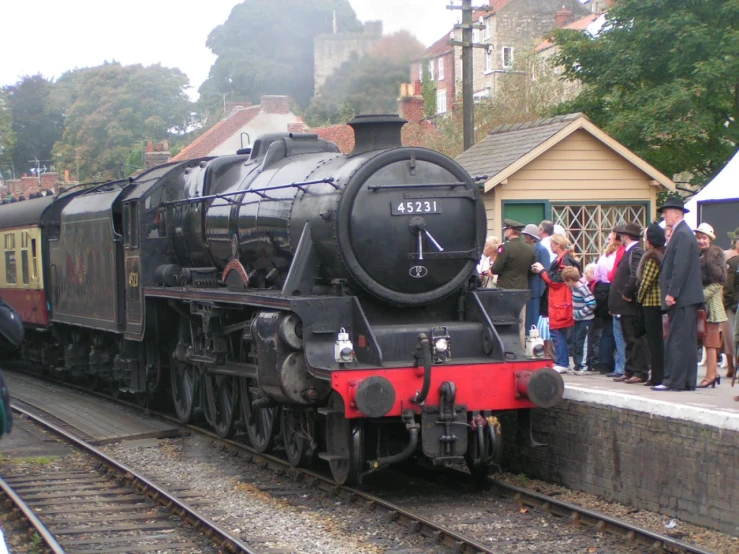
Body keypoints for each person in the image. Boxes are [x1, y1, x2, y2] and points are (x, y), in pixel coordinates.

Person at [653, 196, 704, 392]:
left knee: (678, 339)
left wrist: (672, 292)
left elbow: (680, 266)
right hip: (687, 297)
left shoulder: (681, 234)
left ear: (676, 213)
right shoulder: (682, 233)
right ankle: (686, 380)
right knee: (686, 340)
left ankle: (674, 381)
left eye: (666, 212)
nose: (664, 216)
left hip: (682, 298)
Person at [531, 233, 579, 373]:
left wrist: (542, 271)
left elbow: (557, 280)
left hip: (561, 300)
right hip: (559, 300)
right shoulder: (563, 259)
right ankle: (562, 361)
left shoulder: (564, 260)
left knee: (557, 331)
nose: (551, 246)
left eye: (552, 244)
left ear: (558, 245)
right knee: (558, 331)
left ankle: (562, 362)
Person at [609, 222, 649, 384]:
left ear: (626, 236)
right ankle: (630, 369)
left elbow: (635, 274)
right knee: (628, 338)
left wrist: (626, 292)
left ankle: (640, 371)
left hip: (629, 303)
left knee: (635, 338)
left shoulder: (636, 251)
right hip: (623, 304)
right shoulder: (629, 251)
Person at [695, 223, 727, 388]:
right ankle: (712, 375)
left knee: (711, 341)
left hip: (712, 304)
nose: (701, 240)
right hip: (704, 302)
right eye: (699, 237)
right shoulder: (701, 254)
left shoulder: (714, 254)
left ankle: (711, 376)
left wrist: (700, 296)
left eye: (704, 237)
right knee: (708, 341)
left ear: (710, 239)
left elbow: (719, 282)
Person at [637, 223, 666, 386]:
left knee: (654, 342)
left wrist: (638, 298)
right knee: (657, 341)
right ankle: (658, 374)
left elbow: (646, 282)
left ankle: (657, 376)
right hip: (659, 304)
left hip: (651, 303)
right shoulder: (663, 254)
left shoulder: (652, 257)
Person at [593, 232, 621, 375]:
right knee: (614, 331)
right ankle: (614, 364)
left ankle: (604, 364)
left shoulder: (603, 257)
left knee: (606, 330)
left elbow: (596, 276)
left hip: (601, 291)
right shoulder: (617, 257)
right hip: (611, 290)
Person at [563, 266, 596, 373]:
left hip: (585, 320)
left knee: (583, 342)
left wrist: (579, 313)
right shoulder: (574, 288)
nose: (565, 284)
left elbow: (592, 303)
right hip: (578, 320)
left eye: (565, 281)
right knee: (576, 341)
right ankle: (578, 364)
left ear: (570, 280)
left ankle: (584, 366)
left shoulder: (582, 289)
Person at [491, 220, 535, 290]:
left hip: (505, 290)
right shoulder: (530, 249)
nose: (504, 232)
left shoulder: (504, 248)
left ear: (510, 231)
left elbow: (495, 269)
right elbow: (532, 271)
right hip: (523, 289)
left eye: (506, 229)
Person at [522, 224, 548, 331]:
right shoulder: (528, 249)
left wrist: (543, 292)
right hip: (528, 288)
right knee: (528, 319)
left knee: (534, 319)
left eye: (526, 236)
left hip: (537, 290)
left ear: (531, 237)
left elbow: (545, 270)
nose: (524, 238)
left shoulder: (542, 250)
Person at [723, 227, 738, 378]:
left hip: (734, 305)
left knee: (732, 337)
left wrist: (729, 303)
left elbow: (728, 287)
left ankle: (732, 368)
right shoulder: (732, 260)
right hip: (734, 304)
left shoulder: (733, 262)